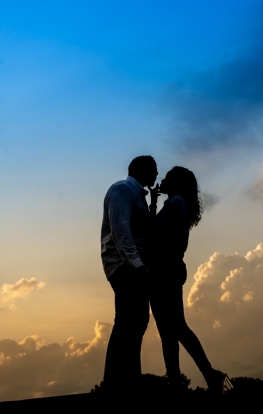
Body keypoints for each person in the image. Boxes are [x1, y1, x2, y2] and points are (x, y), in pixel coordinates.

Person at [145, 166, 228, 393]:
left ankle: (208, 374)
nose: (162, 181)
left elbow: (151, 230)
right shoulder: (178, 204)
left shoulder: (175, 203)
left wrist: (150, 204)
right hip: (169, 269)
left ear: (175, 183)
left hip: (165, 271)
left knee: (176, 328)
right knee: (169, 331)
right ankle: (177, 381)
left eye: (167, 179)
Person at [101, 155, 158, 398]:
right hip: (126, 266)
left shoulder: (138, 197)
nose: (157, 175)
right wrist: (136, 265)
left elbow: (143, 229)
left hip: (133, 265)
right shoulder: (122, 190)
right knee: (127, 322)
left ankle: (128, 381)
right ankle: (114, 384)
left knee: (136, 322)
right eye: (154, 170)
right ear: (143, 170)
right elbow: (121, 228)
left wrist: (153, 204)